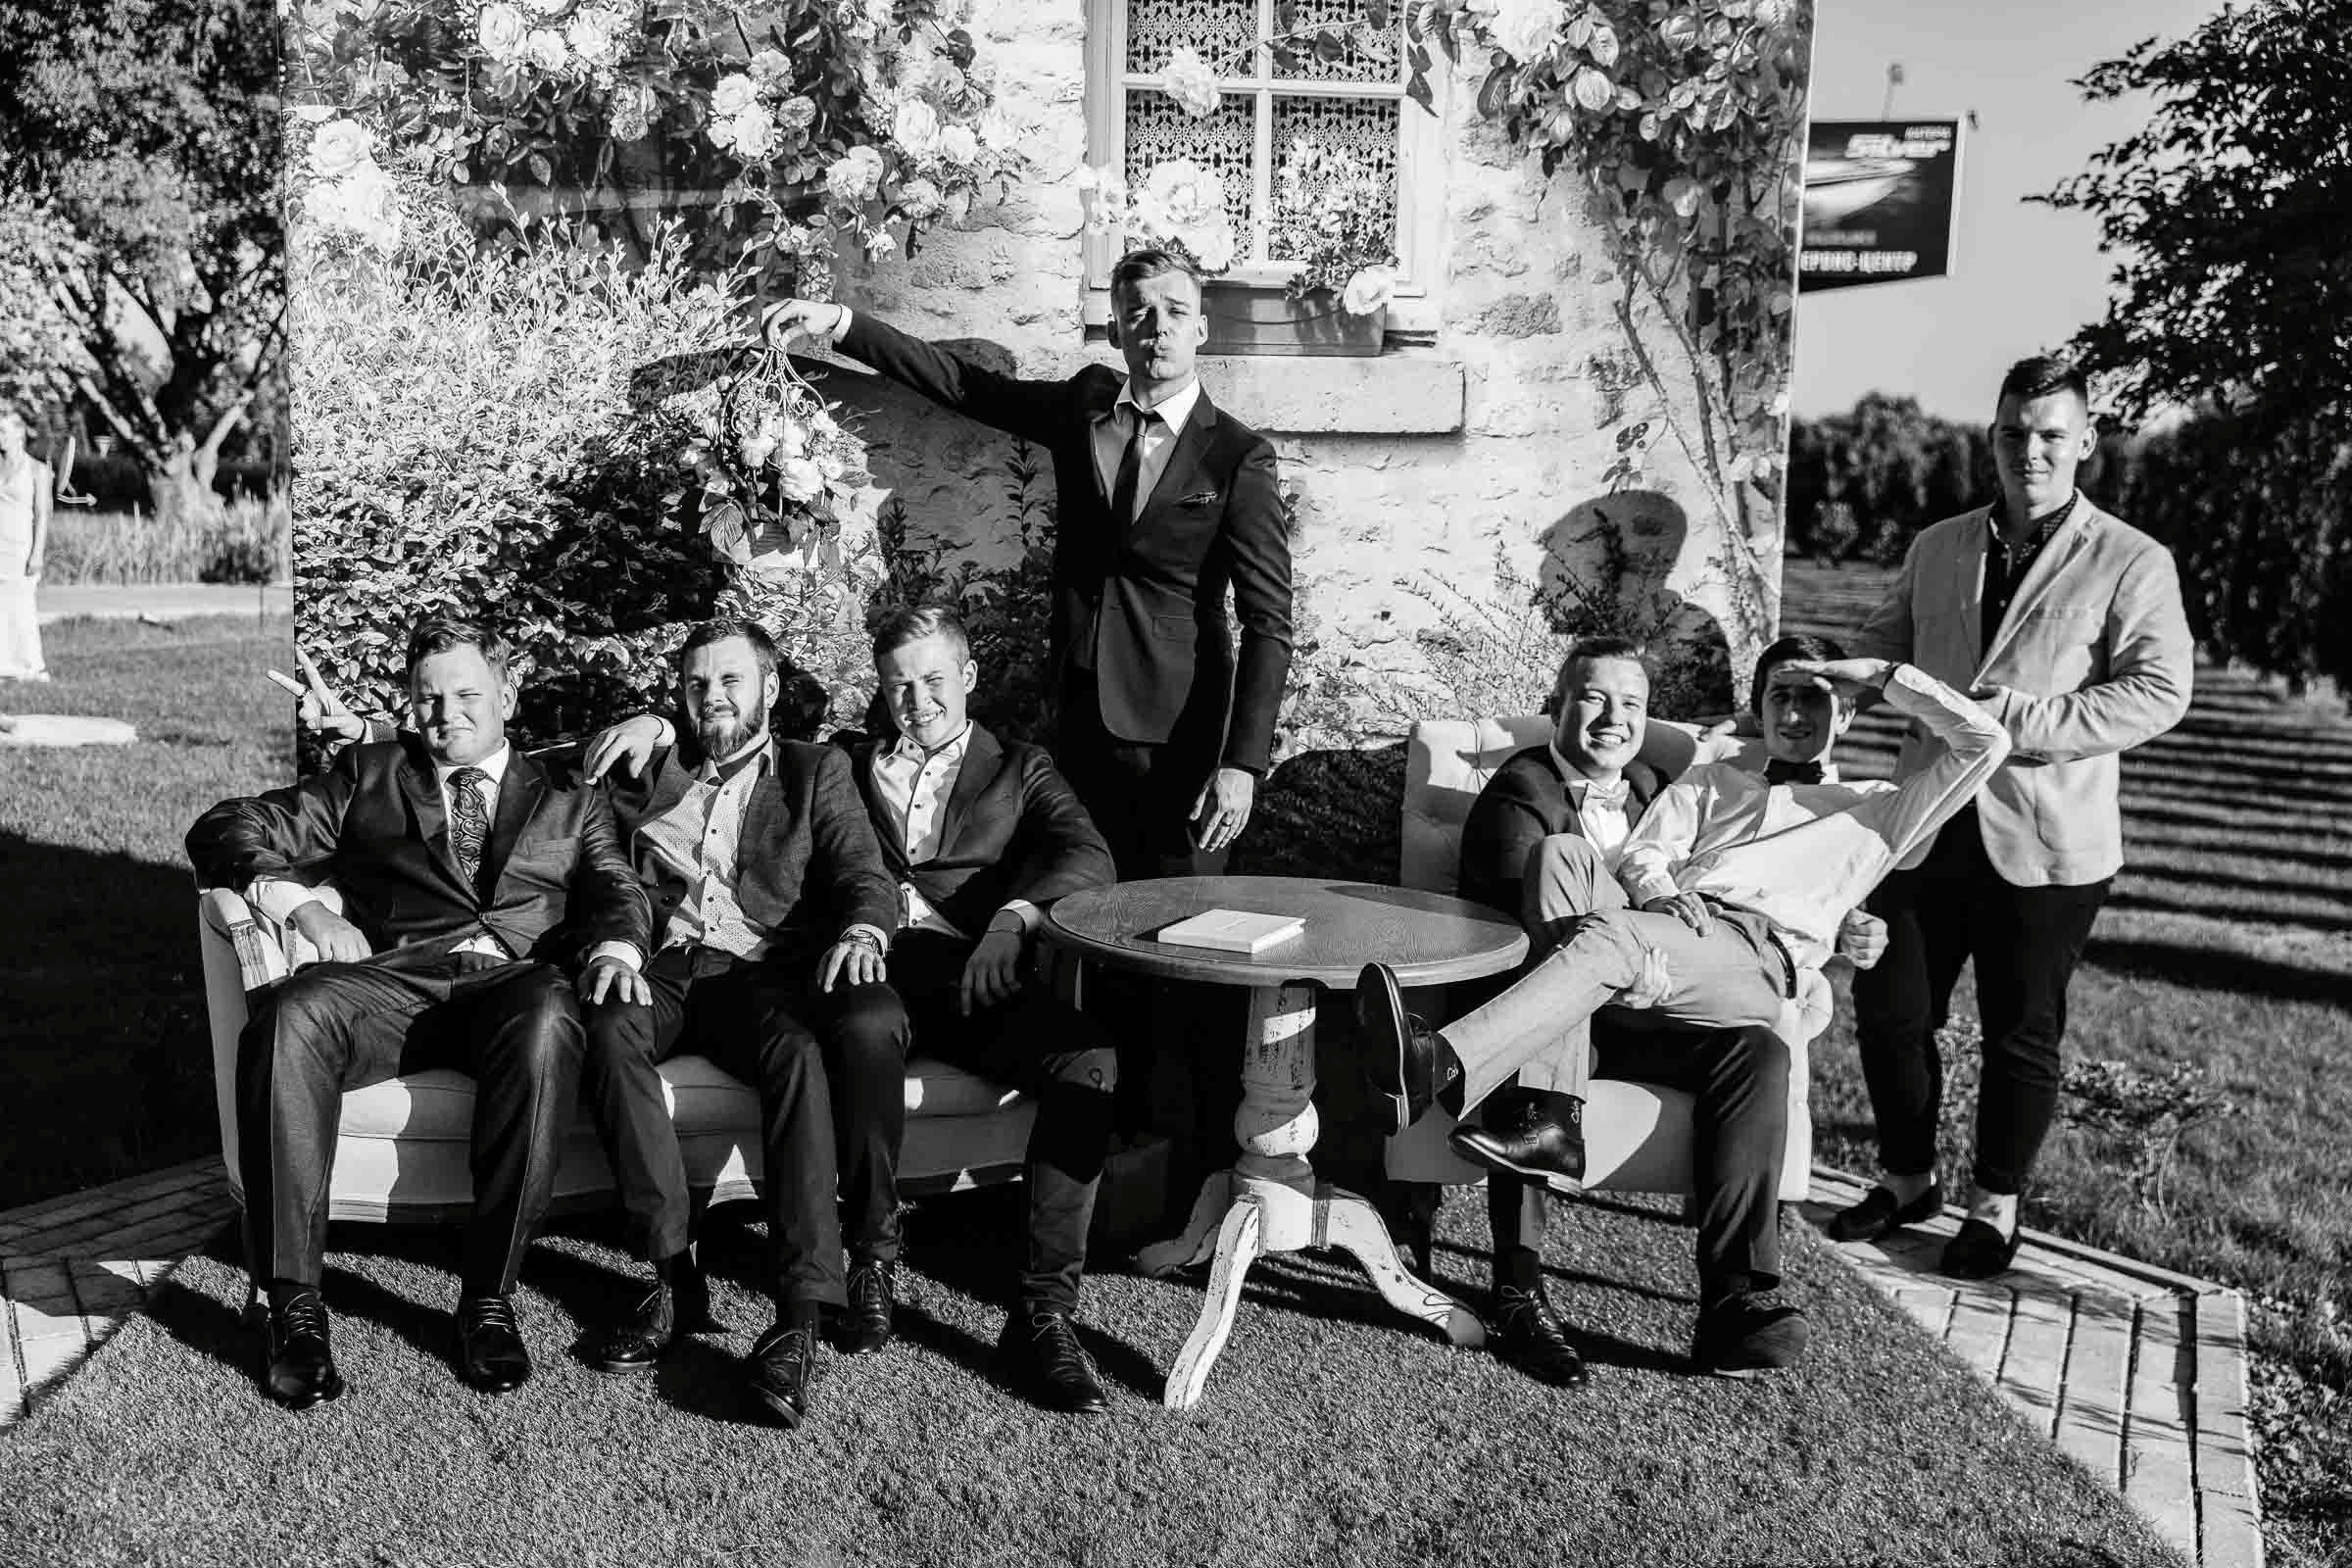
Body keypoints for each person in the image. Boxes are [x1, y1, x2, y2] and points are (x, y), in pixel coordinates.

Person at [762, 248, 1294, 1197]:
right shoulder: (1087, 405)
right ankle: (1090, 1163)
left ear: (1202, 327)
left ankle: (1204, 1173)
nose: (1157, 327)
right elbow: (965, 386)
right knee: (1078, 932)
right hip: (1077, 731)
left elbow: (1269, 622)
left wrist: (1242, 761)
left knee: (1185, 948)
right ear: (1120, 324)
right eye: (1140, 311)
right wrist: (845, 327)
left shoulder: (1236, 456)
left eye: (1175, 311)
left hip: (1179, 748)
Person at [1357, 636, 2011, 1375]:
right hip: (1671, 938)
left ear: (1849, 713)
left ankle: (1442, 1062)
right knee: (1575, 866)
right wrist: (1662, 896)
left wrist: (1885, 675)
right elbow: (1643, 853)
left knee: (1646, 964)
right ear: (1759, 709)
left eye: (1814, 697)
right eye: (1781, 696)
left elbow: (1987, 743)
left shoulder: (1881, 810)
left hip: (1755, 958)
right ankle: (1723, 1301)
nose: (1794, 711)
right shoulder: (1710, 782)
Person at [185, 616, 652, 1408]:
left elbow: (615, 885)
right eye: (428, 698)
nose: (448, 714)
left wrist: (617, 949)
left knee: (547, 1015)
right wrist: (303, 909)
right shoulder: (371, 773)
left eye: (468, 693)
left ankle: (488, 1297)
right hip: (393, 982)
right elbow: (227, 827)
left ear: (508, 691)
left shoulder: (572, 799)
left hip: (514, 988)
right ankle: (294, 1308)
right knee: (288, 1014)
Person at [1831, 356, 2193, 1278]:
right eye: (2012, 434)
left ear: (2084, 443)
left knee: (2019, 1032)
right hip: (1924, 819)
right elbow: (1891, 639)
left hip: (2048, 836)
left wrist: (2021, 722)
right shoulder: (1940, 544)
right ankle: (1908, 1183)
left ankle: (1996, 1207)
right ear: (1991, 437)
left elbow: (2157, 692)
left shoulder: (2133, 559)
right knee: (1889, 1007)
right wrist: (1832, 687)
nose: (2028, 450)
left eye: (2049, 436)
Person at [572, 617, 904, 1430]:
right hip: (668, 964)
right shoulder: (647, 767)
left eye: (729, 682)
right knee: (609, 1029)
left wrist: (863, 929)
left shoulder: (814, 768)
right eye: (694, 685)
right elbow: (536, 769)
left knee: (796, 1054)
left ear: (769, 689)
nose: (712, 698)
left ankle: (800, 1317)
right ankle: (670, 1275)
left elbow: (864, 866)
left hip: (761, 973)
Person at [848, 605, 1122, 1413]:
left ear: (968, 677)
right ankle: (871, 1259)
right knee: (862, 1031)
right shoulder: (843, 760)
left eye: (934, 680)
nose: (917, 700)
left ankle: (1042, 1313)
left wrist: (1013, 921)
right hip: (870, 965)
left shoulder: (1019, 767)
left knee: (1088, 1058)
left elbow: (1087, 853)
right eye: (899, 684)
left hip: (974, 972)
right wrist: (657, 722)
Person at [0, 411, 53, 683]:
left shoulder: (37, 470)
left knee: (22, 606)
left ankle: (30, 665)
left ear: (19, 434)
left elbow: (43, 514)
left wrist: (37, 553)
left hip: (21, 547)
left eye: (3, 431)